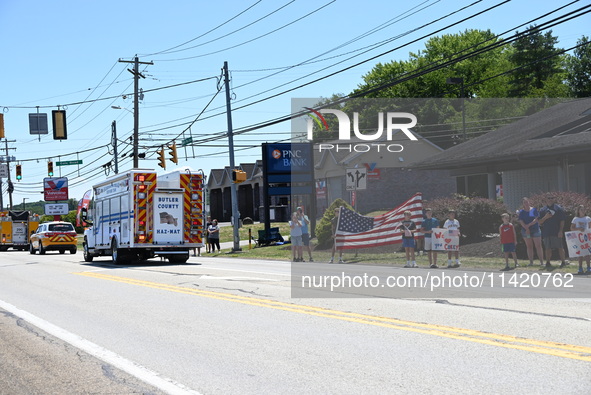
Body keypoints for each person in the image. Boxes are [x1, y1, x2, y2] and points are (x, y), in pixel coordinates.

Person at [538, 194, 567, 269]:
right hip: (547, 232)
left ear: (554, 199)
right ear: (546, 199)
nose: (550, 199)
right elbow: (539, 222)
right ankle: (548, 262)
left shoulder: (558, 208)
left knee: (560, 247)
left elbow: (562, 221)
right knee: (547, 248)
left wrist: (560, 231)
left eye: (552, 198)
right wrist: (545, 217)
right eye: (548, 198)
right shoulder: (542, 210)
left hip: (556, 231)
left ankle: (563, 262)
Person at [518, 197, 544, 266]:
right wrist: (526, 228)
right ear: (523, 204)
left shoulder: (533, 210)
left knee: (538, 245)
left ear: (529, 202)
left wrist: (528, 225)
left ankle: (541, 262)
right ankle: (531, 262)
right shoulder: (522, 212)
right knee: (529, 246)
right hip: (526, 231)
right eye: (524, 202)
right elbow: (521, 221)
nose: (526, 203)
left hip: (535, 229)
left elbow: (535, 220)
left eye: (527, 202)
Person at [570, 205, 591, 274]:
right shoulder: (575, 219)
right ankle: (580, 267)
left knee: (587, 253)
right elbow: (572, 228)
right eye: (581, 209)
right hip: (578, 238)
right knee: (580, 254)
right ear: (578, 211)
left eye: (584, 209)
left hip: (586, 238)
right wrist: (578, 229)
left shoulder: (588, 218)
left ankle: (588, 267)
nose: (583, 211)